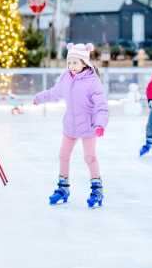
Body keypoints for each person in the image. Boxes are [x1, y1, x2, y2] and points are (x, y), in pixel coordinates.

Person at [33, 43, 109, 208]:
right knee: (63, 155)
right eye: (69, 63)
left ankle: (97, 189)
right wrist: (40, 97)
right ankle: (63, 188)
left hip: (89, 126)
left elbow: (101, 105)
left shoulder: (93, 81)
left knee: (90, 157)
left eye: (75, 63)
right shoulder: (66, 77)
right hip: (70, 125)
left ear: (84, 63)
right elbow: (55, 93)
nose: (71, 66)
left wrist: (100, 124)